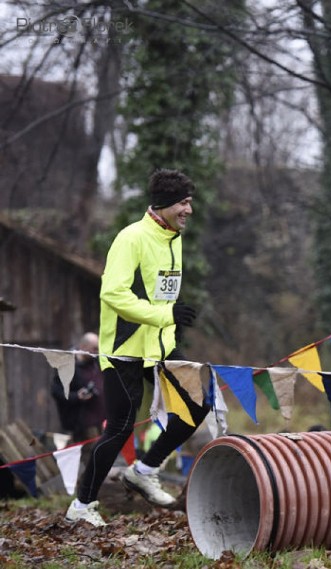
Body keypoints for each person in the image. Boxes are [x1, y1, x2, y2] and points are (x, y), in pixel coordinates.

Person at [65, 169, 210, 527]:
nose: (189, 209)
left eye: (190, 201)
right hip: (125, 349)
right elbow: (112, 293)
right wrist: (166, 314)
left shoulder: (172, 238)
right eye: (183, 202)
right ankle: (81, 507)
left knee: (196, 405)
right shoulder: (131, 238)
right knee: (119, 429)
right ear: (163, 205)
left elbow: (157, 289)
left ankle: (143, 470)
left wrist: (167, 319)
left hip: (160, 346)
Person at [51, 332, 106, 451]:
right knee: (91, 454)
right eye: (94, 348)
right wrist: (77, 396)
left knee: (101, 452)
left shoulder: (96, 362)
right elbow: (56, 392)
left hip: (100, 419)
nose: (97, 351)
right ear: (83, 347)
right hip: (81, 422)